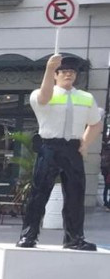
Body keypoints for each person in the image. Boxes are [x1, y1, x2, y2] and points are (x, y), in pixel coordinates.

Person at [18, 55, 104, 250]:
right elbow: (44, 98)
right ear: (55, 75)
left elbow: (96, 123)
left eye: (72, 72)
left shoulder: (85, 97)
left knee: (75, 194)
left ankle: (74, 238)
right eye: (63, 72)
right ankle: (28, 236)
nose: (68, 75)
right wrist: (49, 68)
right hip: (49, 146)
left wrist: (85, 143)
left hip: (72, 148)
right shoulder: (42, 93)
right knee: (39, 193)